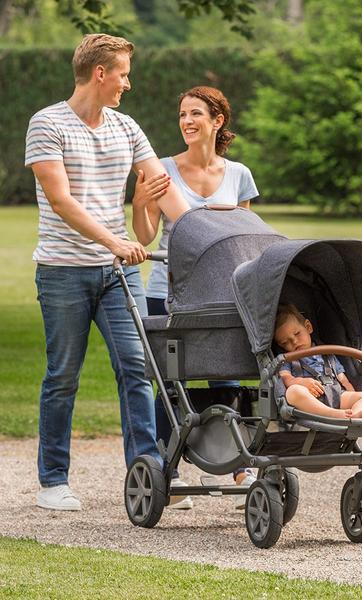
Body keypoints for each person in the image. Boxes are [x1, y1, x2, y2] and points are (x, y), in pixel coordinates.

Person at [25, 33, 190, 511]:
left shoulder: (126, 126)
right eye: (123, 74)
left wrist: (204, 232)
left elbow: (162, 187)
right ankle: (53, 481)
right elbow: (61, 201)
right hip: (63, 271)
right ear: (100, 73)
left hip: (118, 274)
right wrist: (115, 241)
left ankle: (148, 474)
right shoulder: (46, 124)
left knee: (137, 367)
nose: (128, 83)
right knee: (63, 375)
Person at [132, 85, 259, 509]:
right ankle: (167, 471)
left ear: (217, 121)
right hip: (167, 292)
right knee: (171, 382)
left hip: (221, 292)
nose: (186, 121)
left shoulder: (239, 175)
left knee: (228, 376)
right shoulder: (163, 169)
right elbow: (145, 236)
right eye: (182, 114)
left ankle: (239, 467)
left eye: (195, 114)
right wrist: (140, 202)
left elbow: (241, 238)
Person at [274, 304, 362, 419]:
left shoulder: (326, 352)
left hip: (336, 394)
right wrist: (300, 382)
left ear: (308, 327)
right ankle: (333, 414)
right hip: (310, 400)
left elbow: (343, 380)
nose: (294, 342)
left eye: (297, 334)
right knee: (293, 392)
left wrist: (351, 394)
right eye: (285, 342)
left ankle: (355, 415)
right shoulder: (287, 359)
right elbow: (285, 378)